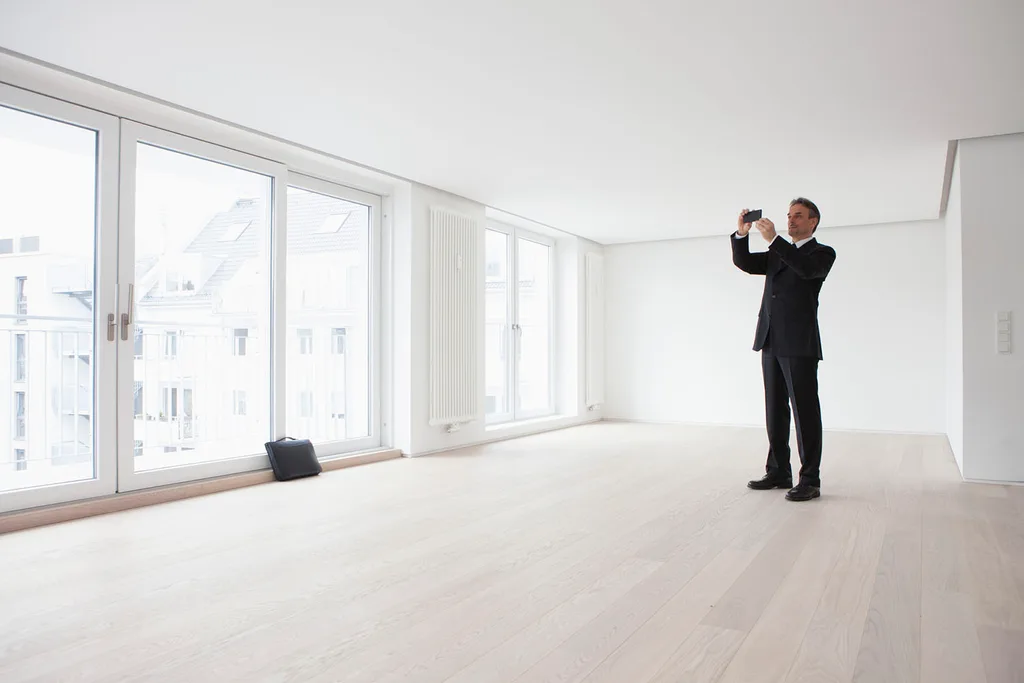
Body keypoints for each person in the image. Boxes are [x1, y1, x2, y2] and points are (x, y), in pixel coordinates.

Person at [730, 198, 836, 501]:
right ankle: (778, 470)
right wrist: (741, 235)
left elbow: (805, 270)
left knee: (804, 411)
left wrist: (775, 240)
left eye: (798, 216)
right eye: (789, 216)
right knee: (774, 409)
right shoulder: (778, 253)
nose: (791, 221)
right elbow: (747, 264)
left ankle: (810, 479)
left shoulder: (822, 253)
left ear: (813, 222)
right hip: (770, 340)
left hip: (799, 343)